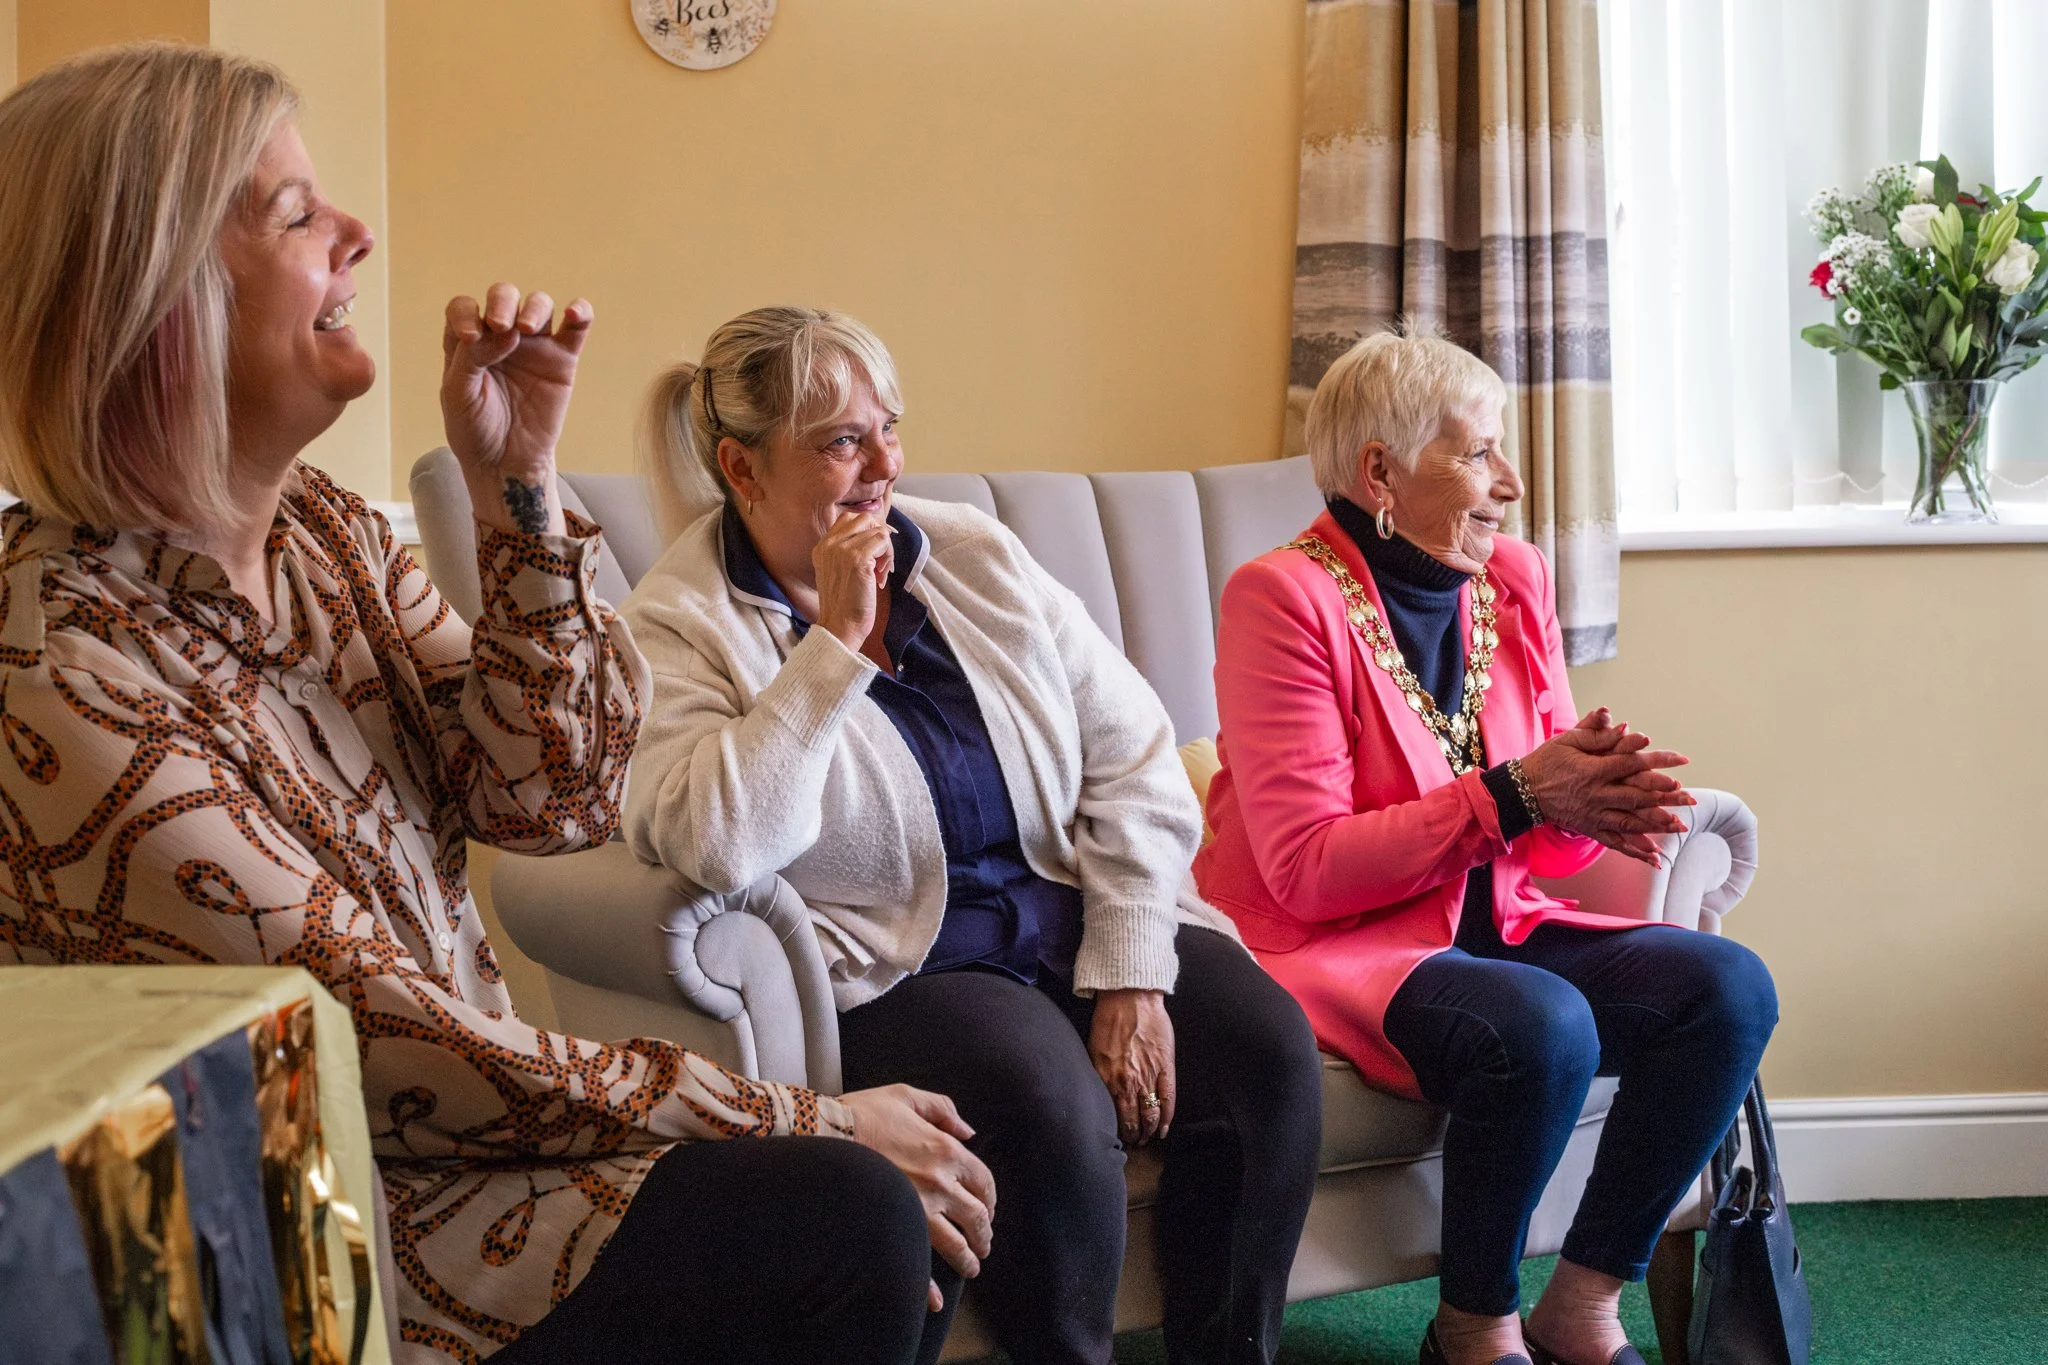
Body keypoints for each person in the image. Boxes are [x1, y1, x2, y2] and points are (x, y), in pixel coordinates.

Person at [0, 44, 991, 1365]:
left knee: (856, 1216)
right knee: (840, 1212)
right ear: (153, 299)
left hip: (480, 1184)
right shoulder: (56, 670)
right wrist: (803, 1113)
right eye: (298, 215)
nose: (357, 233)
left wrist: (517, 483)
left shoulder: (326, 539)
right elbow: (381, 1037)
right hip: (323, 1245)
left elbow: (551, 796)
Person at [620, 306, 1325, 1365]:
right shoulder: (677, 623)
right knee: (1049, 1106)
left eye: (888, 429)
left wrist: (1132, 966)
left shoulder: (968, 554)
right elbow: (713, 841)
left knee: (1267, 1053)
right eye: (840, 441)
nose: (881, 466)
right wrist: (830, 652)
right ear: (741, 466)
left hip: (1071, 913)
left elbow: (1132, 748)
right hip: (906, 966)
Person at [1194, 331, 1778, 1365]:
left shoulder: (1511, 578)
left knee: (1727, 986)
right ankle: (1473, 1327)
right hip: (1334, 946)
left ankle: (1584, 1304)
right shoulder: (1280, 598)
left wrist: (1589, 803)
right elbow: (1307, 869)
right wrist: (1514, 794)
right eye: (1476, 455)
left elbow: (1537, 858)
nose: (1508, 484)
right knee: (1539, 1021)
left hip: (1494, 924)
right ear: (1378, 469)